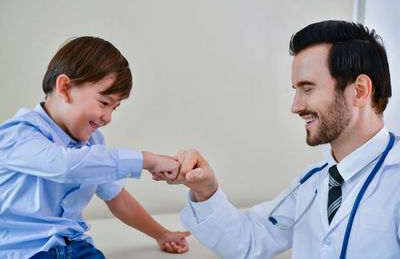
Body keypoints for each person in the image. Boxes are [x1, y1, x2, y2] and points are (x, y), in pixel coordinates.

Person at [166, 20, 400, 258]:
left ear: (359, 90)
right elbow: (249, 241)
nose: (295, 106)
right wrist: (206, 190)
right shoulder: (313, 182)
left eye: (307, 89)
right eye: (295, 90)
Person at [0, 36, 190, 259]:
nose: (108, 117)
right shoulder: (17, 134)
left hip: (75, 247)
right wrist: (147, 160)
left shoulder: (93, 143)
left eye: (115, 108)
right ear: (65, 88)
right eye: (104, 103)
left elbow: (118, 198)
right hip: (23, 251)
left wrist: (162, 234)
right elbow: (66, 166)